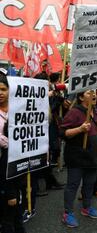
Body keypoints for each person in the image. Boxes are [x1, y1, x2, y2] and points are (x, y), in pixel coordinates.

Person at [60, 90, 97, 227]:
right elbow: (64, 133)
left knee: (90, 183)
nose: (95, 95)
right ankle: (68, 213)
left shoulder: (96, 111)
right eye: (90, 93)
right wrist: (80, 129)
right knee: (72, 185)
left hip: (93, 156)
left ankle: (86, 207)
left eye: (95, 92)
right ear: (81, 97)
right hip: (77, 156)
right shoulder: (75, 112)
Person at [0, 74, 26, 233]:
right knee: (8, 203)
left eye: (3, 89)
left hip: (19, 164)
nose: (0, 93)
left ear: (10, 90)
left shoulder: (20, 108)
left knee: (16, 204)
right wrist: (12, 143)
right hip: (3, 164)